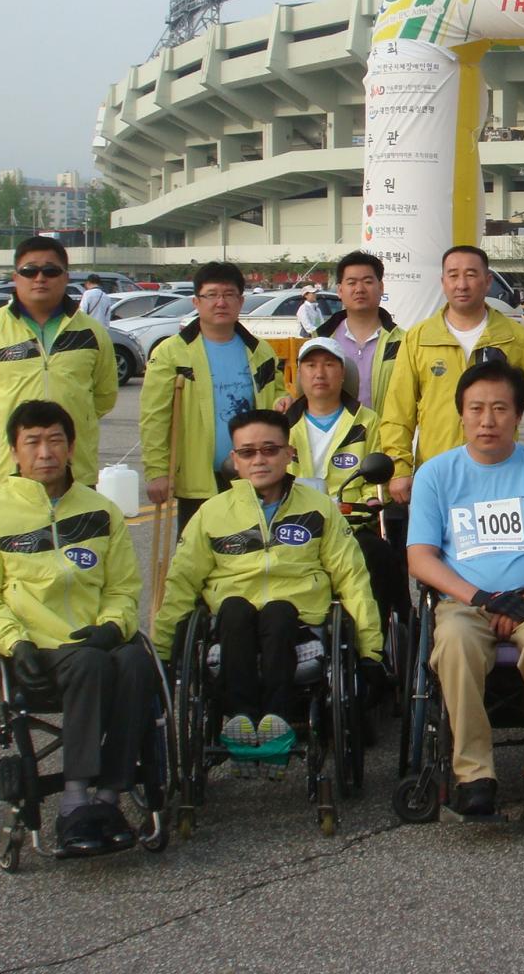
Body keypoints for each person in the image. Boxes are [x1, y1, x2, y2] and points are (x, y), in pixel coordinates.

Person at [0, 400, 154, 857]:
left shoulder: (100, 511)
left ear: (71, 449)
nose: (45, 452)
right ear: (14, 452)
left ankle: (107, 798)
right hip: (36, 648)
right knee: (91, 663)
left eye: (55, 441)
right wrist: (14, 641)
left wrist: (113, 625)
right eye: (33, 442)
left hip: (96, 639)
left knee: (136, 663)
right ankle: (73, 800)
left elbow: (124, 586)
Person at [152, 409, 386, 775]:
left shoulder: (319, 508)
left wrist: (370, 651)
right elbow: (181, 582)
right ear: (235, 460)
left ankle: (276, 717)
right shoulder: (212, 514)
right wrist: (164, 650)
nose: (259, 459)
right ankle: (241, 717)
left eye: (269, 449)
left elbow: (352, 579)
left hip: (298, 622)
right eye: (247, 452)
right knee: (233, 608)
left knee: (278, 611)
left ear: (288, 453)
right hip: (232, 623)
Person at [406, 361, 524, 818]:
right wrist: (479, 598)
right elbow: (421, 556)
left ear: (520, 412)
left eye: (500, 409)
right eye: (477, 409)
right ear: (461, 413)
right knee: (453, 645)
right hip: (467, 604)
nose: (488, 420)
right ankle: (473, 774)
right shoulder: (436, 474)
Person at [382, 245, 524, 504]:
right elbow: (397, 411)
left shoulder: (512, 337)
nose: (462, 284)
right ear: (443, 282)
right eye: (453, 275)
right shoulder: (419, 338)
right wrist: (398, 466)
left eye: (471, 274)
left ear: (487, 281)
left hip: (500, 475)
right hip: (438, 475)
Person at [0, 237, 118, 494]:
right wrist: (0, 424)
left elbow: (104, 396)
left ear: (65, 277)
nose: (40, 278)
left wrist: (75, 420)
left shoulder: (92, 333)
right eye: (30, 271)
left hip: (74, 472)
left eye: (50, 271)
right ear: (16, 277)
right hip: (6, 474)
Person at [142, 261, 285, 534]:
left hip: (253, 473)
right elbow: (154, 417)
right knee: (197, 559)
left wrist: (283, 399)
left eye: (229, 294)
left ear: (241, 301)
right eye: (212, 295)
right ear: (196, 301)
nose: (221, 302)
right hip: (198, 476)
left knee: (251, 553)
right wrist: (157, 471)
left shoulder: (260, 351)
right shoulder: (171, 353)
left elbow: (275, 393)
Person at [284, 337, 406, 630]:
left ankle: (382, 637)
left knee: (381, 558)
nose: (319, 373)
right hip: (295, 527)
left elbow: (378, 479)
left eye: (329, 365)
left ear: (344, 373)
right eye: (310, 366)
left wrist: (370, 501)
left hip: (351, 525)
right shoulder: (282, 425)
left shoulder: (367, 422)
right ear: (299, 374)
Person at [310, 250, 404, 419]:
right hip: (333, 439)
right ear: (339, 290)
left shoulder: (403, 342)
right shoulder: (320, 341)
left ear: (381, 287)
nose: (359, 289)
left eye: (368, 281)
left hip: (384, 441)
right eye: (351, 282)